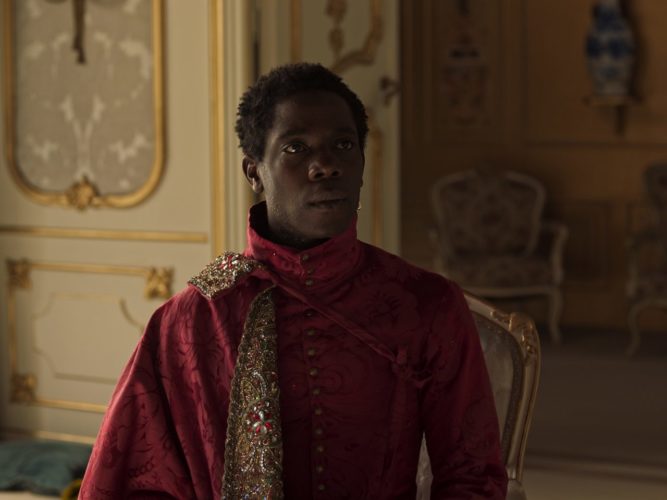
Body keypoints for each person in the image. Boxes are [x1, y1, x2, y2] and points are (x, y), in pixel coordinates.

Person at [80, 63, 507, 499]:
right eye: (296, 148)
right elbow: (133, 482)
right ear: (254, 172)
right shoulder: (191, 320)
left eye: (343, 145)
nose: (325, 166)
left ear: (362, 163)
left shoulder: (427, 304)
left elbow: (472, 476)